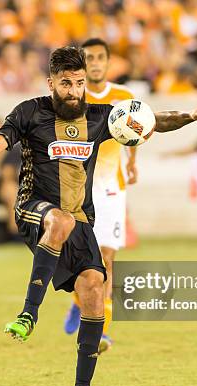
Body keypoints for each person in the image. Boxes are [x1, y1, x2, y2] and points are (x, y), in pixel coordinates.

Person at [0, 46, 197, 386]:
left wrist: (189, 116)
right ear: (51, 83)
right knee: (59, 220)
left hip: (79, 220)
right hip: (34, 210)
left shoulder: (100, 116)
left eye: (78, 83)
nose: (74, 91)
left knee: (95, 287)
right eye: (66, 84)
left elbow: (151, 120)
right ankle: (29, 313)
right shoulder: (29, 112)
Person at [63, 38, 138, 353]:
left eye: (100, 58)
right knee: (79, 258)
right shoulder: (70, 96)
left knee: (108, 257)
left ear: (108, 62)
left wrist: (133, 163)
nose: (94, 63)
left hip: (110, 188)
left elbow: (136, 132)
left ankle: (102, 331)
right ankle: (79, 300)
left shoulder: (124, 98)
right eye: (89, 58)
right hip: (77, 188)